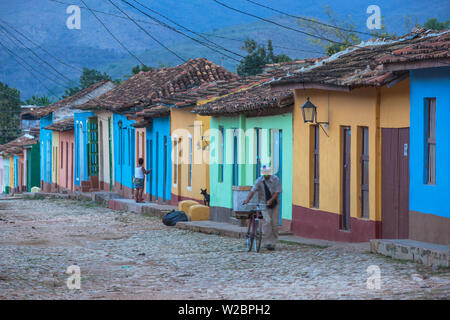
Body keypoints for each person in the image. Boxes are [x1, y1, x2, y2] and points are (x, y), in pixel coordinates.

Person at [243, 166, 282, 251]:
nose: (266, 175)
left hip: (274, 203)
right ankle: (268, 242)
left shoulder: (275, 179)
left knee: (275, 224)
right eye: (265, 173)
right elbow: (252, 191)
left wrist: (271, 200)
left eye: (267, 173)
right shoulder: (259, 181)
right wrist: (247, 199)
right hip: (263, 204)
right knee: (267, 221)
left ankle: (273, 242)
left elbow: (277, 191)